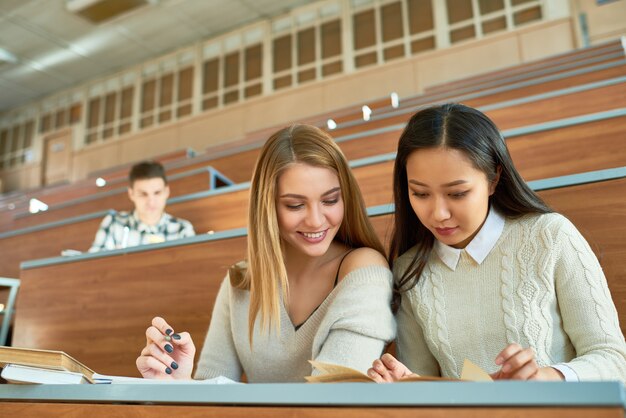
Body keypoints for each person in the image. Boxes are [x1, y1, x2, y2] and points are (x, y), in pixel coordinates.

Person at [368, 103, 626, 382]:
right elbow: (428, 387)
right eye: (420, 194)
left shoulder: (550, 236)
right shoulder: (410, 270)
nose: (438, 214)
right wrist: (408, 385)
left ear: (494, 180)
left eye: (457, 194)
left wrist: (548, 377)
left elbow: (614, 359)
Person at [136, 124, 396, 382]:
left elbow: (330, 401)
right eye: (295, 205)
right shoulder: (239, 281)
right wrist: (179, 385)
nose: (317, 221)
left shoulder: (364, 270)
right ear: (267, 207)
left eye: (330, 200)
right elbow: (212, 393)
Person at [88, 161, 195, 252]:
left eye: (157, 193)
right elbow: (92, 267)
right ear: (131, 194)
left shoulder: (183, 230)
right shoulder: (113, 223)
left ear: (167, 192)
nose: (151, 202)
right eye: (143, 194)